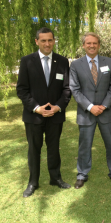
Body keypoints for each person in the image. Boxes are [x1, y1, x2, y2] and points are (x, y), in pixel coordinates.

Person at [16, 27, 71, 197]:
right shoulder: (27, 61)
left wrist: (58, 107)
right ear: (37, 41)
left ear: (54, 41)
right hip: (34, 116)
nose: (47, 44)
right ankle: (33, 182)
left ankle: (55, 178)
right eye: (43, 40)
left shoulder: (62, 61)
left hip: (55, 115)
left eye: (50, 40)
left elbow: (67, 89)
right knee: (34, 149)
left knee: (54, 148)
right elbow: (22, 90)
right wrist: (36, 108)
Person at [69, 32, 111, 189]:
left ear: (99, 45)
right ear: (83, 45)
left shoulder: (110, 63)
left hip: (106, 111)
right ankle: (82, 174)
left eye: (95, 43)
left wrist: (104, 106)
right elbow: (75, 89)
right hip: (86, 113)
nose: (92, 46)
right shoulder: (75, 65)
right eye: (88, 43)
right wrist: (90, 107)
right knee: (84, 145)